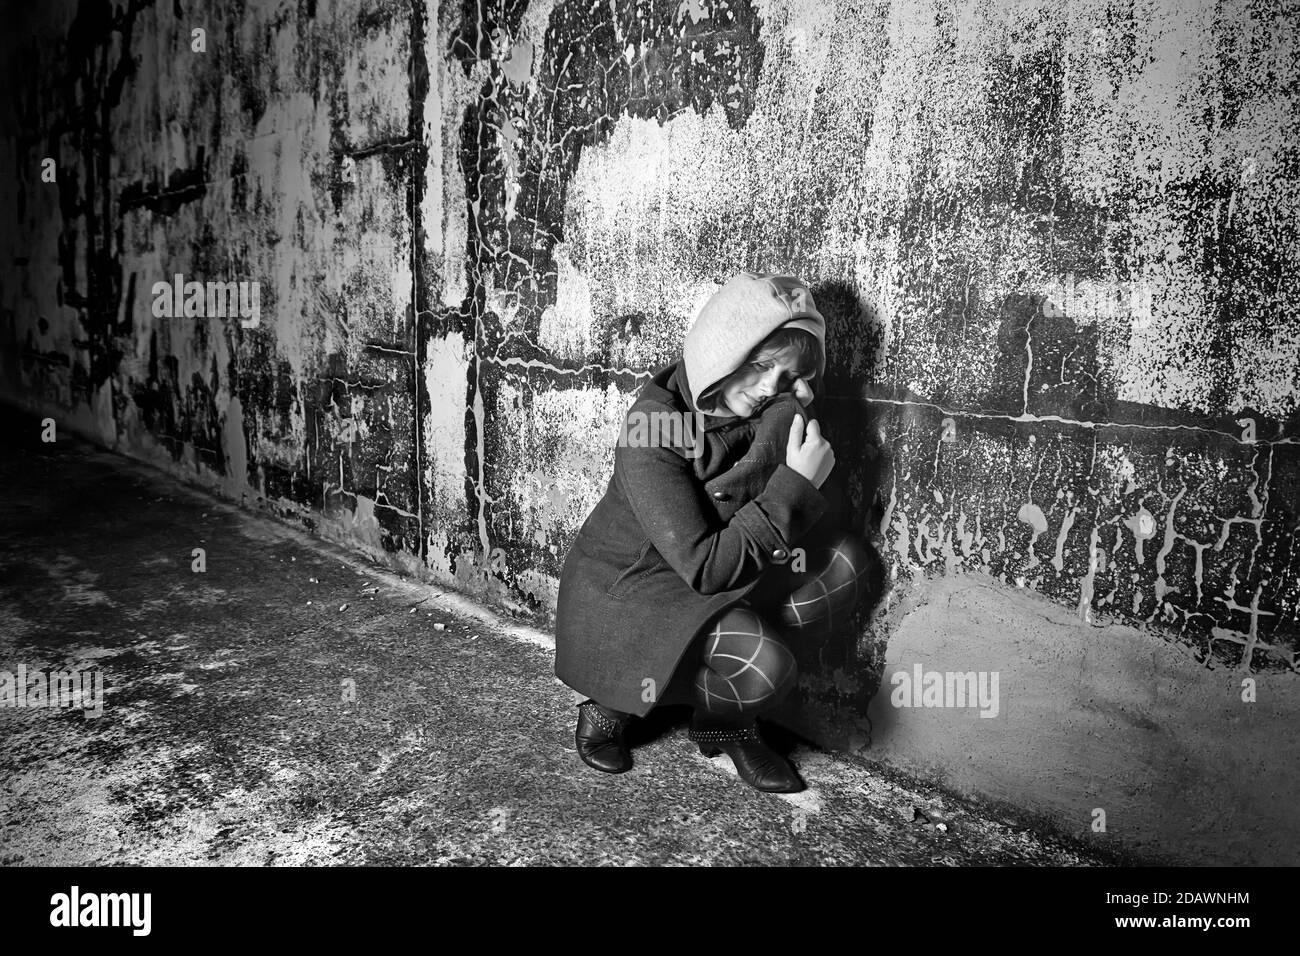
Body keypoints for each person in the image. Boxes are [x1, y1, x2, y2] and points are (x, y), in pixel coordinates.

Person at [554, 272, 871, 793]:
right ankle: (611, 707)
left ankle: (719, 719)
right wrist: (796, 484)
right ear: (724, 348)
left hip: (733, 562)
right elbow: (705, 567)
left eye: (788, 375)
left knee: (846, 566)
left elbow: (801, 520)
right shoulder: (653, 426)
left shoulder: (779, 405)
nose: (772, 386)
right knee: (765, 666)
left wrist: (811, 480)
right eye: (762, 364)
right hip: (643, 585)